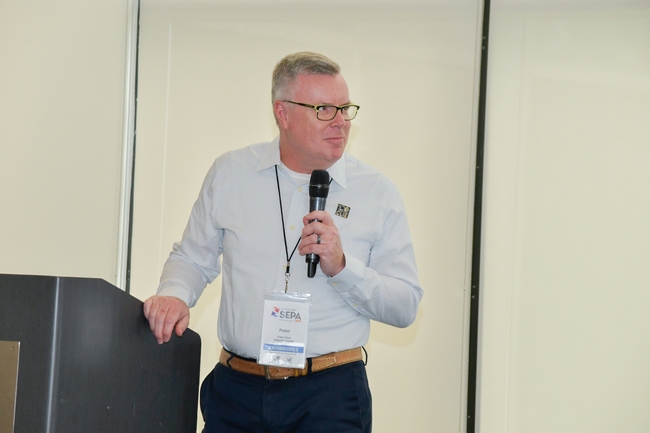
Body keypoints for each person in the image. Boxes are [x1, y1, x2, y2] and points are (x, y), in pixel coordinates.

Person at [143, 51, 423, 433]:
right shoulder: (231, 173)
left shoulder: (377, 193)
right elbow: (192, 259)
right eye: (324, 109)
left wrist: (343, 268)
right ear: (283, 113)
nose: (341, 122)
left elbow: (405, 305)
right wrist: (174, 294)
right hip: (236, 392)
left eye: (345, 109)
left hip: (329, 396)